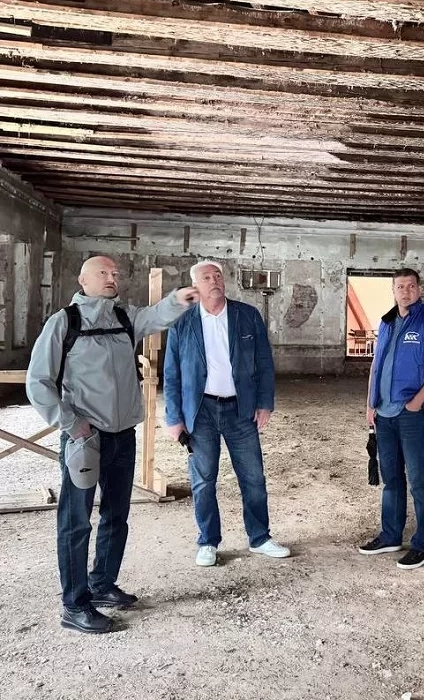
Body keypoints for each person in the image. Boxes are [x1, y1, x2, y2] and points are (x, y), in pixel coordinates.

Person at [26, 256, 198, 634]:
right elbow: (38, 383)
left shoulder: (124, 317)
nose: (112, 278)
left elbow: (156, 316)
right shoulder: (64, 323)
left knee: (116, 516)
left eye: (115, 273)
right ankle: (74, 605)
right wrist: (73, 424)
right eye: (103, 273)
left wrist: (180, 299)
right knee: (76, 522)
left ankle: (102, 584)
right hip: (86, 439)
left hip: (123, 436)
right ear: (83, 279)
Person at [163, 260, 288, 568]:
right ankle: (208, 541)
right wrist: (174, 417)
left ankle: (260, 538)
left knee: (253, 477)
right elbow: (172, 373)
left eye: (217, 275)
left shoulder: (247, 315)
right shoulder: (183, 321)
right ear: (195, 285)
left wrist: (265, 402)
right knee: (204, 480)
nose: (214, 280)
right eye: (206, 277)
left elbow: (264, 362)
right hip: (200, 411)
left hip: (240, 409)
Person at [358, 268, 424, 570]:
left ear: (419, 290)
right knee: (392, 478)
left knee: (419, 479)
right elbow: (376, 365)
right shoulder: (386, 322)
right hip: (384, 413)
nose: (406, 291)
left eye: (411, 286)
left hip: (412, 415)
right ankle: (391, 536)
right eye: (400, 287)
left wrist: (418, 402)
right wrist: (370, 404)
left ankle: (423, 545)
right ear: (393, 291)